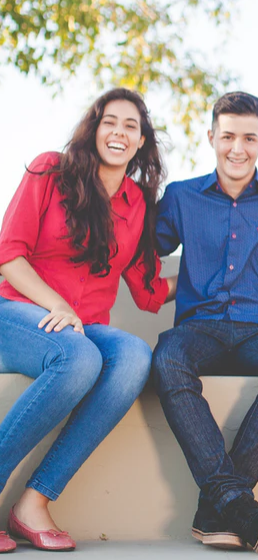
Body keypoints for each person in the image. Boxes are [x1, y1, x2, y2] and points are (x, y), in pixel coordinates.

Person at [0, 88, 173, 553]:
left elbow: (148, 288)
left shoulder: (138, 203)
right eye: (109, 122)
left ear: (141, 142)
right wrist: (56, 303)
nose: (118, 132)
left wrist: (219, 278)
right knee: (79, 359)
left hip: (83, 326)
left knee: (135, 356)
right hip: (16, 311)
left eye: (130, 126)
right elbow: (8, 255)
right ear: (94, 129)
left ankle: (33, 503)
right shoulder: (50, 170)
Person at [151, 91, 258, 555]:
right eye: (228, 137)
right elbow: (141, 249)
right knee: (166, 358)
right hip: (197, 328)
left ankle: (221, 506)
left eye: (249, 137)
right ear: (211, 137)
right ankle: (238, 505)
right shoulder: (181, 196)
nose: (237, 148)